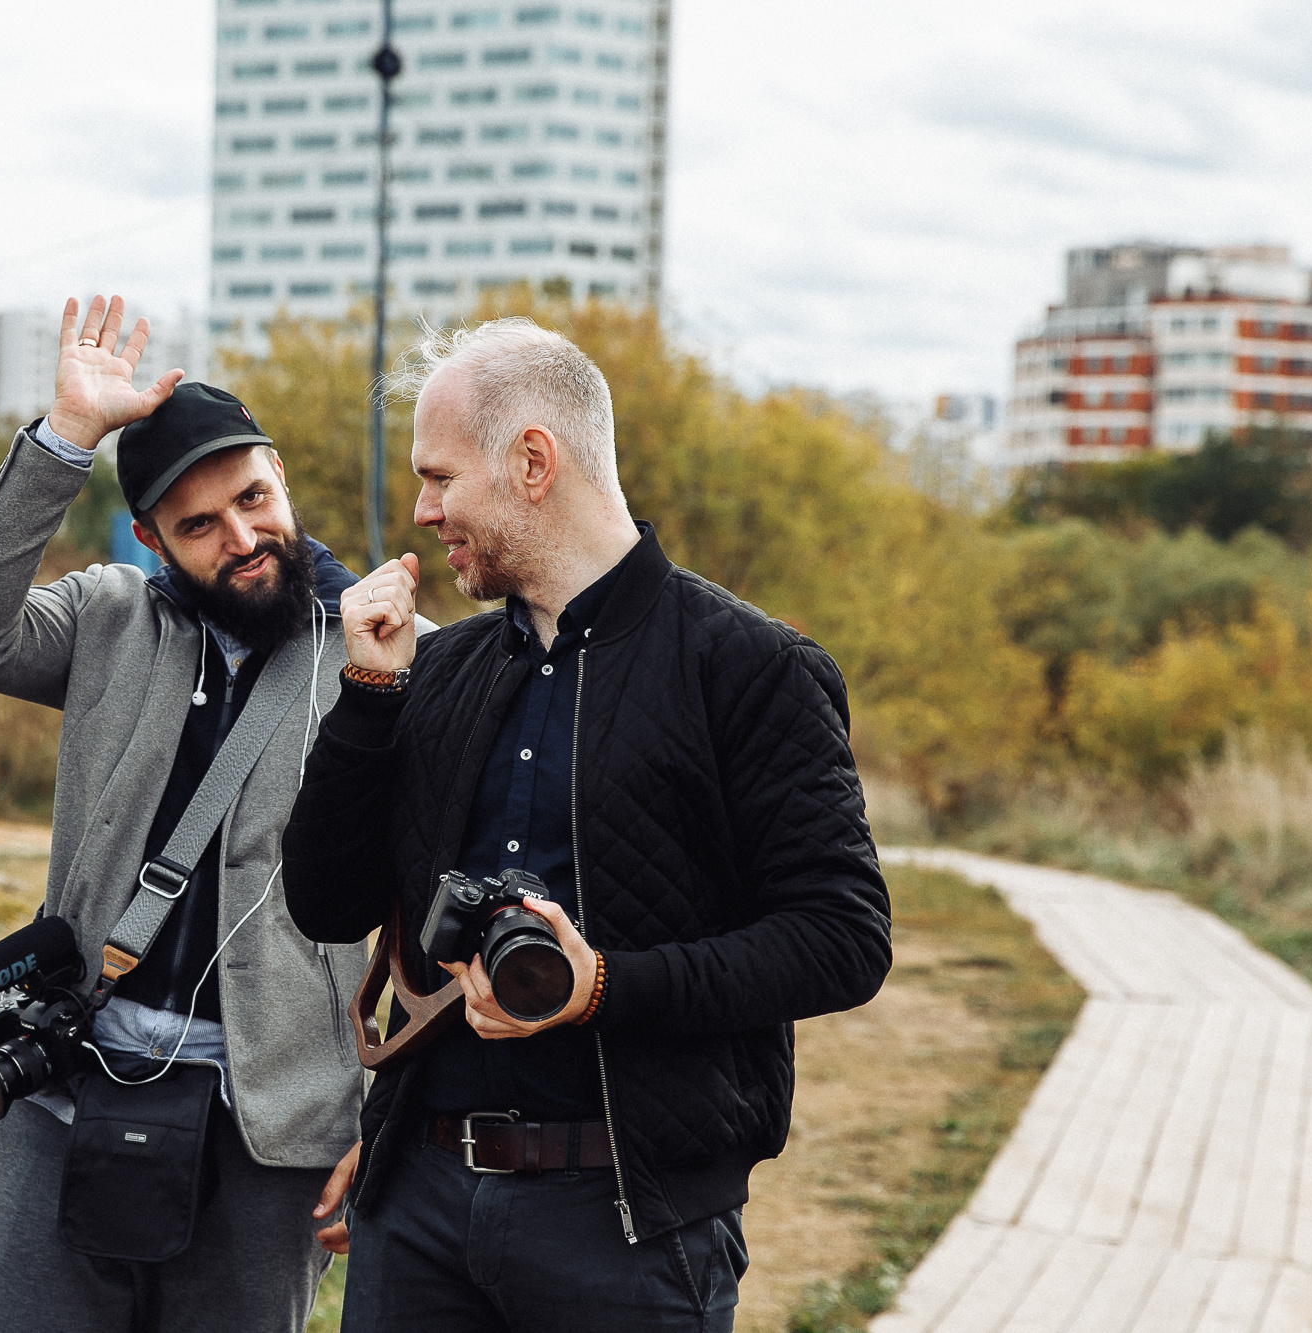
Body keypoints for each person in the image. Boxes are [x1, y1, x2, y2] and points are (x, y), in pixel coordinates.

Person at [282, 317, 893, 1332]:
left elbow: (841, 940)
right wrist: (368, 699)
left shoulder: (751, 670)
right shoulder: (435, 670)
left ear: (532, 461)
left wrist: (600, 985)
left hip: (628, 1226)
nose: (423, 511)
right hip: (419, 1210)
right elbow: (324, 902)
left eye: (439, 477)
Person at [0, 295, 374, 1333]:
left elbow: (425, 912)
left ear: (281, 478)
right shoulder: (107, 617)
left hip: (272, 1124)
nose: (243, 538)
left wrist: (381, 1116)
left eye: (254, 499)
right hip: (67, 1093)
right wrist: (65, 437)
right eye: (199, 526)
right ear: (152, 539)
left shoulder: (387, 653)